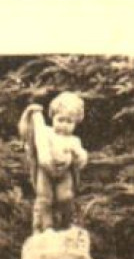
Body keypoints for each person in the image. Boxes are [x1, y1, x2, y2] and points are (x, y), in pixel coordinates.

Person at [19, 92, 89, 234]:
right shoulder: (47, 133)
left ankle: (66, 223)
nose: (64, 125)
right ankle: (45, 227)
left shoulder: (74, 140)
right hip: (45, 172)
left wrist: (78, 155)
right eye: (60, 120)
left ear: (76, 123)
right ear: (52, 117)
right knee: (44, 198)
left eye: (69, 122)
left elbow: (81, 160)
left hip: (64, 174)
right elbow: (34, 135)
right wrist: (33, 115)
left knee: (66, 197)